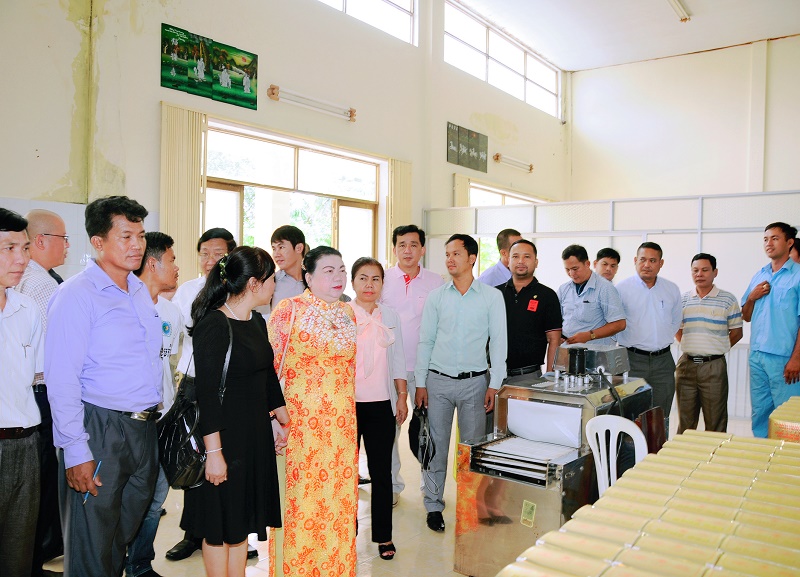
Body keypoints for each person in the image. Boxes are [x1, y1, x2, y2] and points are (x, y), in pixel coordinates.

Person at [45, 196, 161, 577]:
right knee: (91, 548)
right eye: (126, 236)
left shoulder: (138, 291)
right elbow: (61, 378)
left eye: (141, 235)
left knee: (116, 544)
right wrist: (76, 450)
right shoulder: (76, 295)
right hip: (100, 428)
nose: (137, 245)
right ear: (97, 242)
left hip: (143, 429)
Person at [181, 246, 289, 577]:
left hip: (252, 438)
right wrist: (214, 454)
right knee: (217, 526)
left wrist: (281, 419)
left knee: (240, 522)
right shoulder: (213, 324)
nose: (275, 286)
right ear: (254, 283)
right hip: (222, 439)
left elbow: (266, 376)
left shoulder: (256, 321)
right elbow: (207, 395)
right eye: (272, 279)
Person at [267, 246, 358, 577]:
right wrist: (273, 419)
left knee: (338, 502)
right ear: (308, 277)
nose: (338, 277)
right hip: (300, 426)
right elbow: (268, 370)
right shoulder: (289, 310)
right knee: (302, 503)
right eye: (329, 271)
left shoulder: (348, 313)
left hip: (342, 427)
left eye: (342, 270)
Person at [415, 234, 507, 533]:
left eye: (456, 253)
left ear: (472, 258)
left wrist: (495, 383)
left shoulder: (491, 297)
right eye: (447, 254)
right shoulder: (437, 297)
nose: (449, 259)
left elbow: (499, 343)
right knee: (436, 448)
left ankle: (469, 505)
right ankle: (433, 505)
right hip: (438, 382)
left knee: (471, 450)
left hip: (475, 384)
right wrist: (420, 382)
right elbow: (426, 340)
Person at [166, 227, 237, 562]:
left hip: (234, 388)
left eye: (218, 254)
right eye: (204, 254)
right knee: (195, 460)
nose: (210, 260)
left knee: (231, 459)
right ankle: (193, 533)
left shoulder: (240, 289)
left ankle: (234, 530)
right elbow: (174, 332)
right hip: (196, 385)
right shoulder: (188, 291)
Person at [126, 232, 183, 577]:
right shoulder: (123, 304)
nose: (177, 267)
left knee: (156, 498)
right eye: (172, 260)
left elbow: (168, 361)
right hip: (129, 422)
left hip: (162, 418)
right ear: (152, 262)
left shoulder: (170, 312)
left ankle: (139, 564)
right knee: (128, 500)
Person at [15, 209, 68, 575]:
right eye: (63, 239)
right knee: (42, 483)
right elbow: (55, 353)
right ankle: (34, 560)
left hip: (28, 393)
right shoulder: (42, 284)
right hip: (43, 393)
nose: (67, 246)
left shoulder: (28, 278)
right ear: (41, 240)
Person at [348, 257, 408, 560]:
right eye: (363, 278)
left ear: (383, 284)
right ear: (353, 282)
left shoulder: (390, 315)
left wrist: (402, 395)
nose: (369, 284)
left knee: (382, 472)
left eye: (375, 279)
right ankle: (348, 530)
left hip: (382, 404)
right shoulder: (343, 314)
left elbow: (398, 359)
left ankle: (384, 536)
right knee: (347, 472)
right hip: (347, 406)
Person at [380, 225, 444, 495]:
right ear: (394, 248)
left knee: (427, 429)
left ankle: (429, 486)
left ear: (423, 249)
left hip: (424, 369)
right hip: (388, 368)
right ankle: (391, 487)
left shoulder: (436, 282)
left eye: (413, 245)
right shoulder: (382, 278)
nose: (407, 250)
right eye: (402, 245)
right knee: (388, 431)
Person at [0, 208, 44, 577]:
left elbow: (40, 374)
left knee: (18, 554)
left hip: (26, 445)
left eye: (25, 248)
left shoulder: (26, 308)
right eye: (9, 248)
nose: (22, 259)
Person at [616, 242, 682, 433]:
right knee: (631, 414)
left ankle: (658, 450)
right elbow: (616, 322)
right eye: (643, 260)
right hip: (632, 360)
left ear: (661, 263)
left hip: (663, 362)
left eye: (653, 260)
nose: (647, 265)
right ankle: (632, 452)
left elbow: (675, 321)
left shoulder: (671, 289)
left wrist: (660, 341)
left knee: (661, 414)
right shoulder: (622, 289)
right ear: (635, 261)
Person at [742, 222, 800, 438]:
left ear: (789, 242)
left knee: (787, 417)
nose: (769, 243)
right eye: (766, 239)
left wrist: (796, 359)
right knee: (760, 413)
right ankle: (763, 451)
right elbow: (746, 315)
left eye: (775, 238)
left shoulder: (798, 275)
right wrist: (751, 297)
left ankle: (787, 457)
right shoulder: (760, 275)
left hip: (785, 359)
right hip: (757, 356)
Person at [675, 253, 743, 434]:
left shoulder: (728, 299)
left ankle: (714, 452)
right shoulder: (683, 299)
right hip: (686, 366)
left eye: (705, 270)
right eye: (695, 270)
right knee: (685, 421)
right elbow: (677, 329)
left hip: (714, 367)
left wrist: (716, 347)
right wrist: (692, 346)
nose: (699, 274)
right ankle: (684, 451)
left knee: (715, 422)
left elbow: (737, 332)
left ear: (715, 272)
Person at [497, 239, 562, 377]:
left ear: (536, 262)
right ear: (508, 261)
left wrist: (550, 376)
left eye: (527, 257)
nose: (521, 261)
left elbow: (554, 339)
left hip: (528, 375)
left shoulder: (547, 295)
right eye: (515, 256)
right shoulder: (495, 293)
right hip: (495, 374)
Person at [558, 244, 626, 345]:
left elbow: (619, 324)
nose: (571, 273)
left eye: (575, 269)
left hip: (595, 351)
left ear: (587, 264)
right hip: (567, 349)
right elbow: (557, 319)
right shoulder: (563, 289)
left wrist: (590, 335)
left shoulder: (605, 288)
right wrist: (558, 336)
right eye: (567, 269)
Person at [269, 225, 307, 309]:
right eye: (274, 249)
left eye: (281, 247)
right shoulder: (272, 283)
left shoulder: (315, 280)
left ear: (299, 248)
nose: (276, 254)